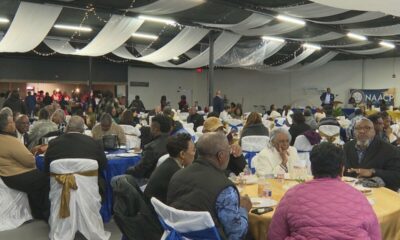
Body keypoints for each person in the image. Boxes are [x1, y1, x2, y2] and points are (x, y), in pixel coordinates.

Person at [268, 142, 381, 239]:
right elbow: (375, 236)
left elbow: (274, 236)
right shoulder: (359, 197)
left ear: (312, 168)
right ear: (342, 169)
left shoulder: (292, 195)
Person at [167, 132, 252, 239]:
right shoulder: (225, 189)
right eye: (228, 151)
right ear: (221, 155)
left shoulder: (177, 175)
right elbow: (236, 234)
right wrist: (243, 209)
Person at [0, 112, 50, 221]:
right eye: (12, 122)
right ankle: (45, 213)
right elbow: (30, 161)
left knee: (37, 178)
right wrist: (34, 153)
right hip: (14, 175)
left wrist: (31, 151)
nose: (14, 124)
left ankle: (37, 211)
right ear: (7, 126)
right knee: (46, 178)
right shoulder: (10, 141)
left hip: (7, 173)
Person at [44, 116, 108, 200]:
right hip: (89, 192)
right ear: (82, 129)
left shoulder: (53, 143)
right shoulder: (94, 143)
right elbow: (103, 165)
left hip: (59, 190)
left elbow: (46, 168)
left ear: (67, 127)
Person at [344, 118, 400, 191]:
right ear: (354, 132)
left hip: (379, 194)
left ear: (374, 131)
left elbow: (397, 177)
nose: (362, 131)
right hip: (350, 191)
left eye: (367, 128)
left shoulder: (390, 150)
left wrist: (372, 172)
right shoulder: (347, 147)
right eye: (357, 128)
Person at [144, 133, 195, 203]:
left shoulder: (168, 163)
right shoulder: (177, 174)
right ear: (182, 154)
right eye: (193, 150)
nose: (194, 154)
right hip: (154, 211)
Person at [126, 114, 172, 180]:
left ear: (155, 129)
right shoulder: (174, 142)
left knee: (117, 179)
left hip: (149, 181)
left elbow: (139, 171)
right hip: (168, 180)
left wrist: (127, 170)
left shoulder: (151, 148)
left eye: (151, 126)